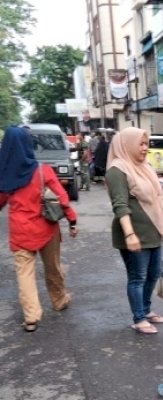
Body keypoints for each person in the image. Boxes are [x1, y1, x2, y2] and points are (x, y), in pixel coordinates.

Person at [0, 126, 78, 333]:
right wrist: (72, 221)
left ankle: (31, 316)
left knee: (24, 274)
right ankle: (59, 300)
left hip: (20, 232)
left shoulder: (4, 173)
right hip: (47, 229)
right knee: (52, 267)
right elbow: (62, 197)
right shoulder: (42, 170)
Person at [105, 127, 163, 334]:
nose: (144, 148)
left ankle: (146, 310)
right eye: (140, 144)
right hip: (134, 234)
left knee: (154, 274)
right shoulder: (117, 170)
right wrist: (130, 234)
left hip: (153, 232)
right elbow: (120, 205)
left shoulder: (144, 166)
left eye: (146, 144)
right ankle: (138, 318)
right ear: (127, 144)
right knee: (137, 277)